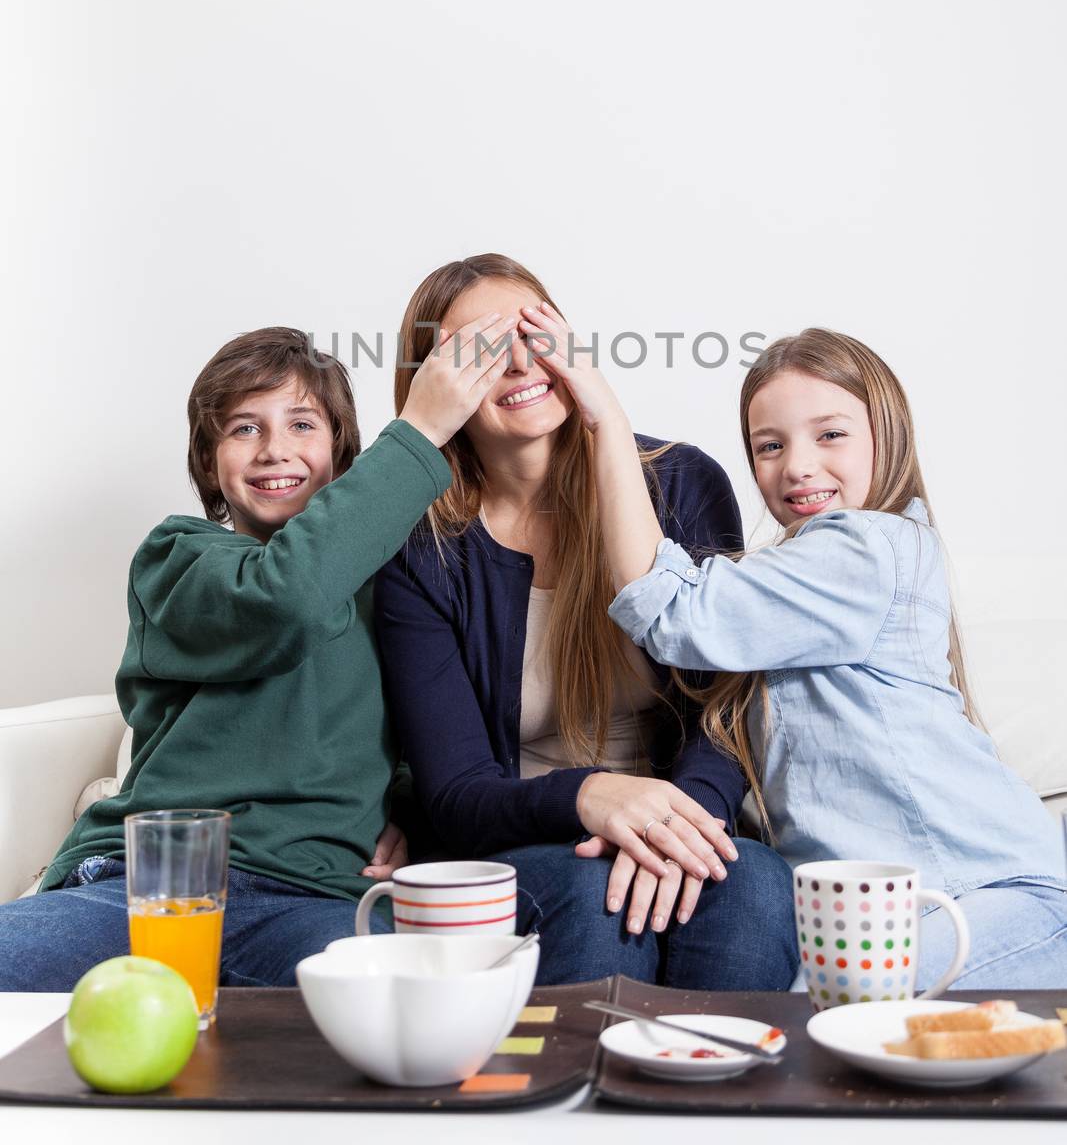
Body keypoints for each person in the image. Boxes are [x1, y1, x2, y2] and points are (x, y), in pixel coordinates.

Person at [517, 310, 1067, 991]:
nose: (798, 467)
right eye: (769, 447)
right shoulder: (793, 577)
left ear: (885, 437)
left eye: (830, 435)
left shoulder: (868, 548)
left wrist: (605, 421)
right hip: (884, 909)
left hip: (985, 896)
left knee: (827, 1016)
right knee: (801, 1010)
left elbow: (665, 606)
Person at [0, 317, 519, 990]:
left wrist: (406, 809)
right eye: (244, 428)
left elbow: (436, 726)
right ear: (209, 461)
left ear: (341, 452)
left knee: (405, 1005)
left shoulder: (397, 591)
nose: (275, 449)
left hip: (312, 896)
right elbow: (287, 599)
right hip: (145, 890)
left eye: (302, 424)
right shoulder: (178, 558)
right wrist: (418, 431)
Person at [374, 254, 799, 990]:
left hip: (681, 818)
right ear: (431, 390)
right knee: (588, 897)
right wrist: (590, 798)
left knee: (751, 887)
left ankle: (725, 1104)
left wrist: (679, 822)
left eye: (533, 333)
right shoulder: (419, 546)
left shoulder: (681, 484)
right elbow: (454, 791)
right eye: (477, 351)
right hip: (526, 840)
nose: (516, 363)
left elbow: (725, 700)